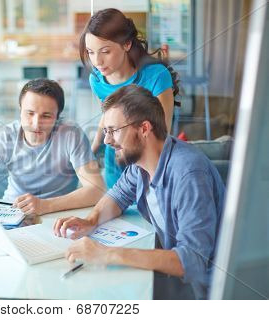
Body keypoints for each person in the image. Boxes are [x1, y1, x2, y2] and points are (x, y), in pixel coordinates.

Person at [54, 85, 225, 299]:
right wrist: (91, 221)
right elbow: (117, 197)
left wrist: (105, 254)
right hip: (180, 280)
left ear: (144, 128)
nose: (107, 141)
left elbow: (191, 261)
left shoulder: (188, 174)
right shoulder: (141, 164)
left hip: (210, 292)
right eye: (105, 131)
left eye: (113, 130)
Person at [0, 78, 105, 215]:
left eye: (46, 116)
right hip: (11, 210)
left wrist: (45, 206)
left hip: (56, 214)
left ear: (58, 117)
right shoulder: (4, 136)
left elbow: (96, 190)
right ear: (20, 111)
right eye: (30, 113)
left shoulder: (72, 135)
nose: (36, 124)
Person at [80, 8, 179, 188]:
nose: (97, 61)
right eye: (91, 52)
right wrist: (92, 152)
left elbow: (162, 134)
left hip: (150, 161)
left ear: (126, 44)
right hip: (115, 161)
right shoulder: (96, 80)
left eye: (105, 51)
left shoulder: (156, 76)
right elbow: (107, 118)